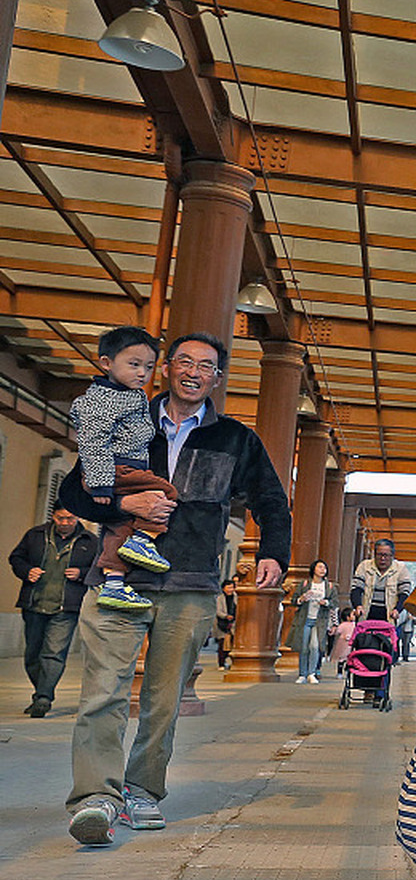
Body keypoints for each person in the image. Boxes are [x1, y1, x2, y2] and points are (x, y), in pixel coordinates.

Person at [58, 332, 291, 845]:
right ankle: (96, 797)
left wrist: (275, 552)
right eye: (183, 361)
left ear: (216, 378)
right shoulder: (127, 418)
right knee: (103, 691)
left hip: (189, 583)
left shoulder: (236, 439)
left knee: (163, 701)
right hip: (119, 577)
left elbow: (272, 501)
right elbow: (74, 489)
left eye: (205, 365)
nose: (192, 371)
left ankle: (142, 790)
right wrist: (124, 507)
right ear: (166, 370)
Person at [70, 326, 175, 612]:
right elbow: (93, 442)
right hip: (117, 468)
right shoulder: (101, 400)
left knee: (120, 526)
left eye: (149, 367)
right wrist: (101, 483)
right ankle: (143, 539)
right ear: (106, 363)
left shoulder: (131, 394)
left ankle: (114, 583)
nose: (142, 373)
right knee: (165, 490)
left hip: (123, 466)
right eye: (134, 364)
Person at [9, 508, 99, 716]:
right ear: (53, 516)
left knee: (54, 653)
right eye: (61, 518)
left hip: (66, 608)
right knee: (32, 654)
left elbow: (100, 569)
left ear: (78, 518)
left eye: (71, 518)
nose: (66, 522)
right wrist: (26, 571)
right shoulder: (35, 535)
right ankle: (41, 691)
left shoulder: (90, 541)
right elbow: (16, 558)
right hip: (34, 603)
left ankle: (43, 698)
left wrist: (82, 573)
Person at [290, 561, 339, 683]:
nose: (323, 570)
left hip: (320, 621)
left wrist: (326, 603)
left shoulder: (329, 586)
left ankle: (311, 673)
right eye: (320, 567)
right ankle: (302, 674)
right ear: (313, 569)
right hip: (305, 619)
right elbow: (294, 600)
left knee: (315, 646)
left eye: (325, 567)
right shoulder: (305, 584)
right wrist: (302, 598)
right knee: (304, 647)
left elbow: (335, 603)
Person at [349, 538, 409, 623]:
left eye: (386, 555)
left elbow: (404, 593)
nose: (382, 558)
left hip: (389, 617)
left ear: (392, 555)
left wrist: (397, 610)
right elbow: (356, 588)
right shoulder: (364, 566)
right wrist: (358, 606)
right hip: (366, 615)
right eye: (379, 554)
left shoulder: (401, 569)